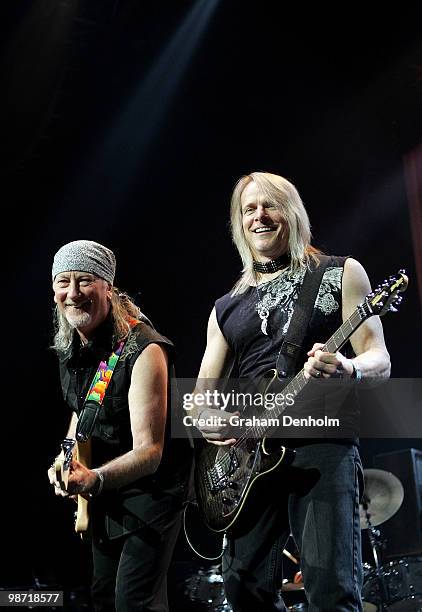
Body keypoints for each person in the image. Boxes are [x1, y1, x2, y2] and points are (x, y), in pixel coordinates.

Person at [191, 173, 391, 611]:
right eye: (248, 209)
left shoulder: (340, 272)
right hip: (249, 458)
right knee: (242, 582)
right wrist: (210, 420)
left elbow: (380, 359)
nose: (259, 216)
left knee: (330, 587)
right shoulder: (226, 307)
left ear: (293, 214)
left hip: (322, 444)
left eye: (270, 205)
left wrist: (348, 368)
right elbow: (201, 396)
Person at [47, 239, 192, 612]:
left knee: (134, 602)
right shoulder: (73, 345)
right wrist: (65, 460)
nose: (73, 293)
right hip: (107, 487)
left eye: (85, 281)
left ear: (107, 288)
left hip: (154, 492)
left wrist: (94, 478)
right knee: (103, 598)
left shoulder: (143, 349)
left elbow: (150, 452)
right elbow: (83, 411)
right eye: (64, 282)